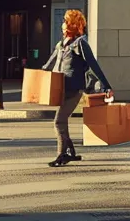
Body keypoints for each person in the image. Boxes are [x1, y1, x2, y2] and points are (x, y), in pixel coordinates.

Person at [42, 9, 113, 167]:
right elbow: (48, 65)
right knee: (62, 120)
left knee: (59, 121)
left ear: (73, 25)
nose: (63, 25)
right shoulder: (61, 45)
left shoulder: (80, 43)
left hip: (74, 89)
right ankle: (71, 153)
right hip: (61, 88)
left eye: (66, 22)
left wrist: (107, 86)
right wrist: (37, 77)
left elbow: (93, 65)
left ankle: (62, 155)